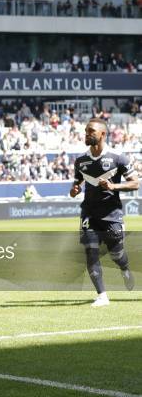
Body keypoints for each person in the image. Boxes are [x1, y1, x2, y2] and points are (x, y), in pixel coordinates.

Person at [70, 118, 138, 307]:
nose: (87, 134)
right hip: (89, 214)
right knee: (90, 252)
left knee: (117, 255)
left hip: (112, 214)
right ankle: (102, 296)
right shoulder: (81, 161)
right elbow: (76, 184)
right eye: (85, 131)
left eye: (91, 131)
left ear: (102, 134)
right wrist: (74, 190)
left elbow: (135, 183)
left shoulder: (118, 158)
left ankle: (124, 268)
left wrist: (113, 185)